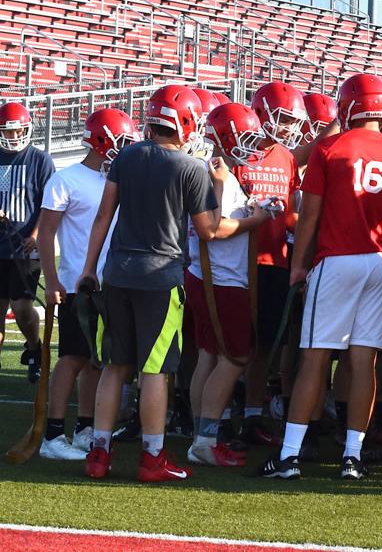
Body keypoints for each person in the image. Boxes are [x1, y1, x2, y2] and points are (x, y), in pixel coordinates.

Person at [81, 85, 265, 482]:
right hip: (161, 276)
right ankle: (152, 456)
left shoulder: (127, 156)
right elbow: (210, 230)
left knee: (115, 366)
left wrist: (88, 268)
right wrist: (250, 213)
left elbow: (102, 218)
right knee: (154, 370)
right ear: (184, 122)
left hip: (116, 271)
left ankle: (99, 453)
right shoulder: (189, 168)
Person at [257, 73, 382, 481]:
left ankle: (290, 455)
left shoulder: (330, 148)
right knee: (364, 362)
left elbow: (309, 215)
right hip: (377, 263)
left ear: (347, 106)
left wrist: (298, 265)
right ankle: (352, 456)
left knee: (314, 356)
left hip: (336, 259)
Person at [37, 108, 140, 460]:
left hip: (110, 282)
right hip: (75, 284)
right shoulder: (66, 180)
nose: (125, 148)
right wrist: (52, 280)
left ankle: (83, 429)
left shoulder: (117, 180)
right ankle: (53, 434)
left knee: (98, 360)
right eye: (121, 140)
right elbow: (46, 233)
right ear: (101, 140)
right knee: (72, 358)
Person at [185, 103, 273, 467]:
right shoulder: (214, 175)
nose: (251, 145)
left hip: (208, 277)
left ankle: (201, 435)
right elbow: (214, 229)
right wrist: (258, 219)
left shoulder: (215, 172)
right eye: (245, 136)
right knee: (234, 359)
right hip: (220, 280)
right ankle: (205, 440)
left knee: (210, 356)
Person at [233, 95, 302, 450]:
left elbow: (289, 214)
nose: (289, 127)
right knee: (229, 346)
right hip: (238, 262)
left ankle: (250, 415)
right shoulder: (238, 151)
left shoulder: (287, 157)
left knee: (264, 346)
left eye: (293, 120)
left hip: (275, 260)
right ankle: (210, 415)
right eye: (284, 118)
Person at [0, 102, 55, 384]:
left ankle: (34, 349)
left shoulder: (40, 160)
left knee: (22, 307)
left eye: (18, 130)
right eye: (7, 132)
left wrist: (35, 235)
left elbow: (49, 204)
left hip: (24, 247)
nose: (13, 136)